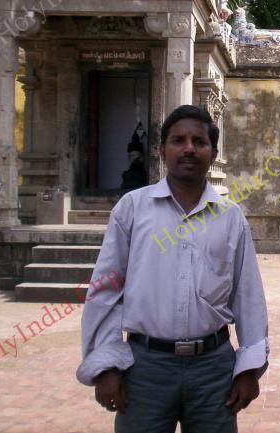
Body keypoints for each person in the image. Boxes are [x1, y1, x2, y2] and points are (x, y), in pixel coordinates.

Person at [76, 105, 268, 433]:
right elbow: (106, 291)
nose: (189, 148)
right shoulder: (132, 209)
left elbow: (247, 295)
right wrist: (106, 364)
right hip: (145, 369)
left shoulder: (229, 216)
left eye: (199, 141)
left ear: (213, 152)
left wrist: (249, 368)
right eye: (178, 140)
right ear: (163, 150)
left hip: (213, 370)